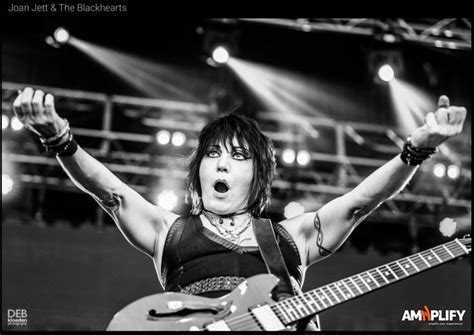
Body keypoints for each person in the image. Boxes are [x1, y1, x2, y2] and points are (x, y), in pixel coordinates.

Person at [13, 87, 466, 330]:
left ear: (259, 176)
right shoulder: (169, 230)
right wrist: (58, 137)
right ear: (199, 173)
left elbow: (359, 204)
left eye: (237, 155)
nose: (222, 163)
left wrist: (416, 150)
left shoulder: (291, 236)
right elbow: (108, 192)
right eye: (212, 154)